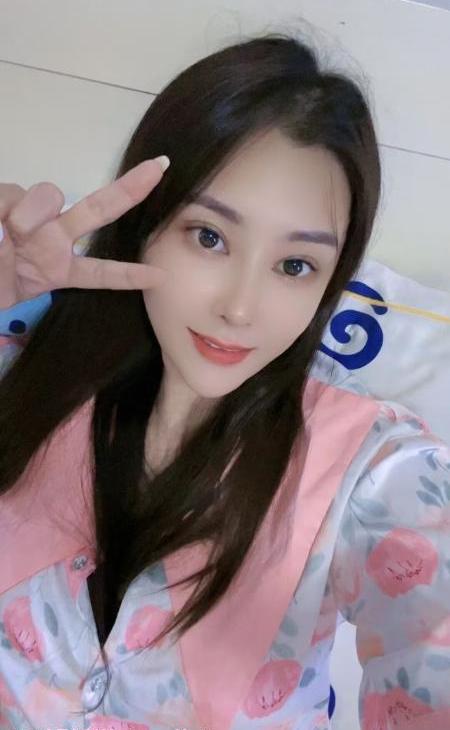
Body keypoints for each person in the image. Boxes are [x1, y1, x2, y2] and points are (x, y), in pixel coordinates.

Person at [0, 31, 449, 730]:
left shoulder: (375, 470)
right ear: (146, 223)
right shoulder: (21, 366)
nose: (240, 309)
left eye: (294, 266)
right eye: (209, 237)